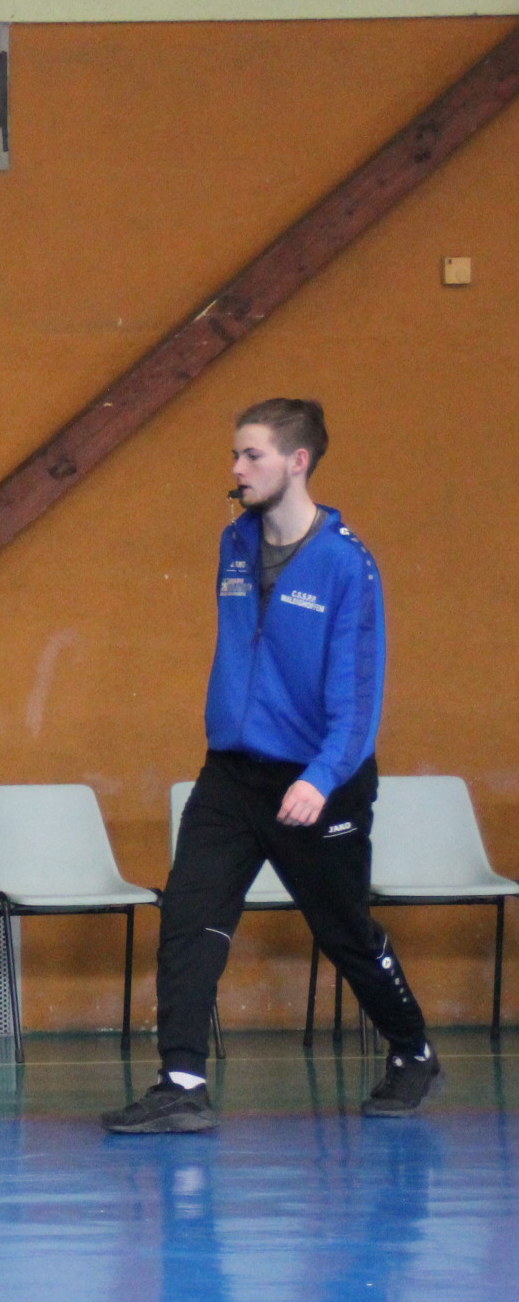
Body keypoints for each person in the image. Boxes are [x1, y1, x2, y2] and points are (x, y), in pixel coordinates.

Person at [105, 398, 436, 1133]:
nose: (236, 467)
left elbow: (359, 696)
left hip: (318, 778)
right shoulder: (235, 542)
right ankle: (181, 1083)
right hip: (231, 773)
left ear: (297, 462)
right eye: (235, 454)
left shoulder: (347, 565)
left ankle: (413, 1050)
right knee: (189, 917)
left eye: (251, 454)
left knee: (344, 931)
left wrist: (320, 778)